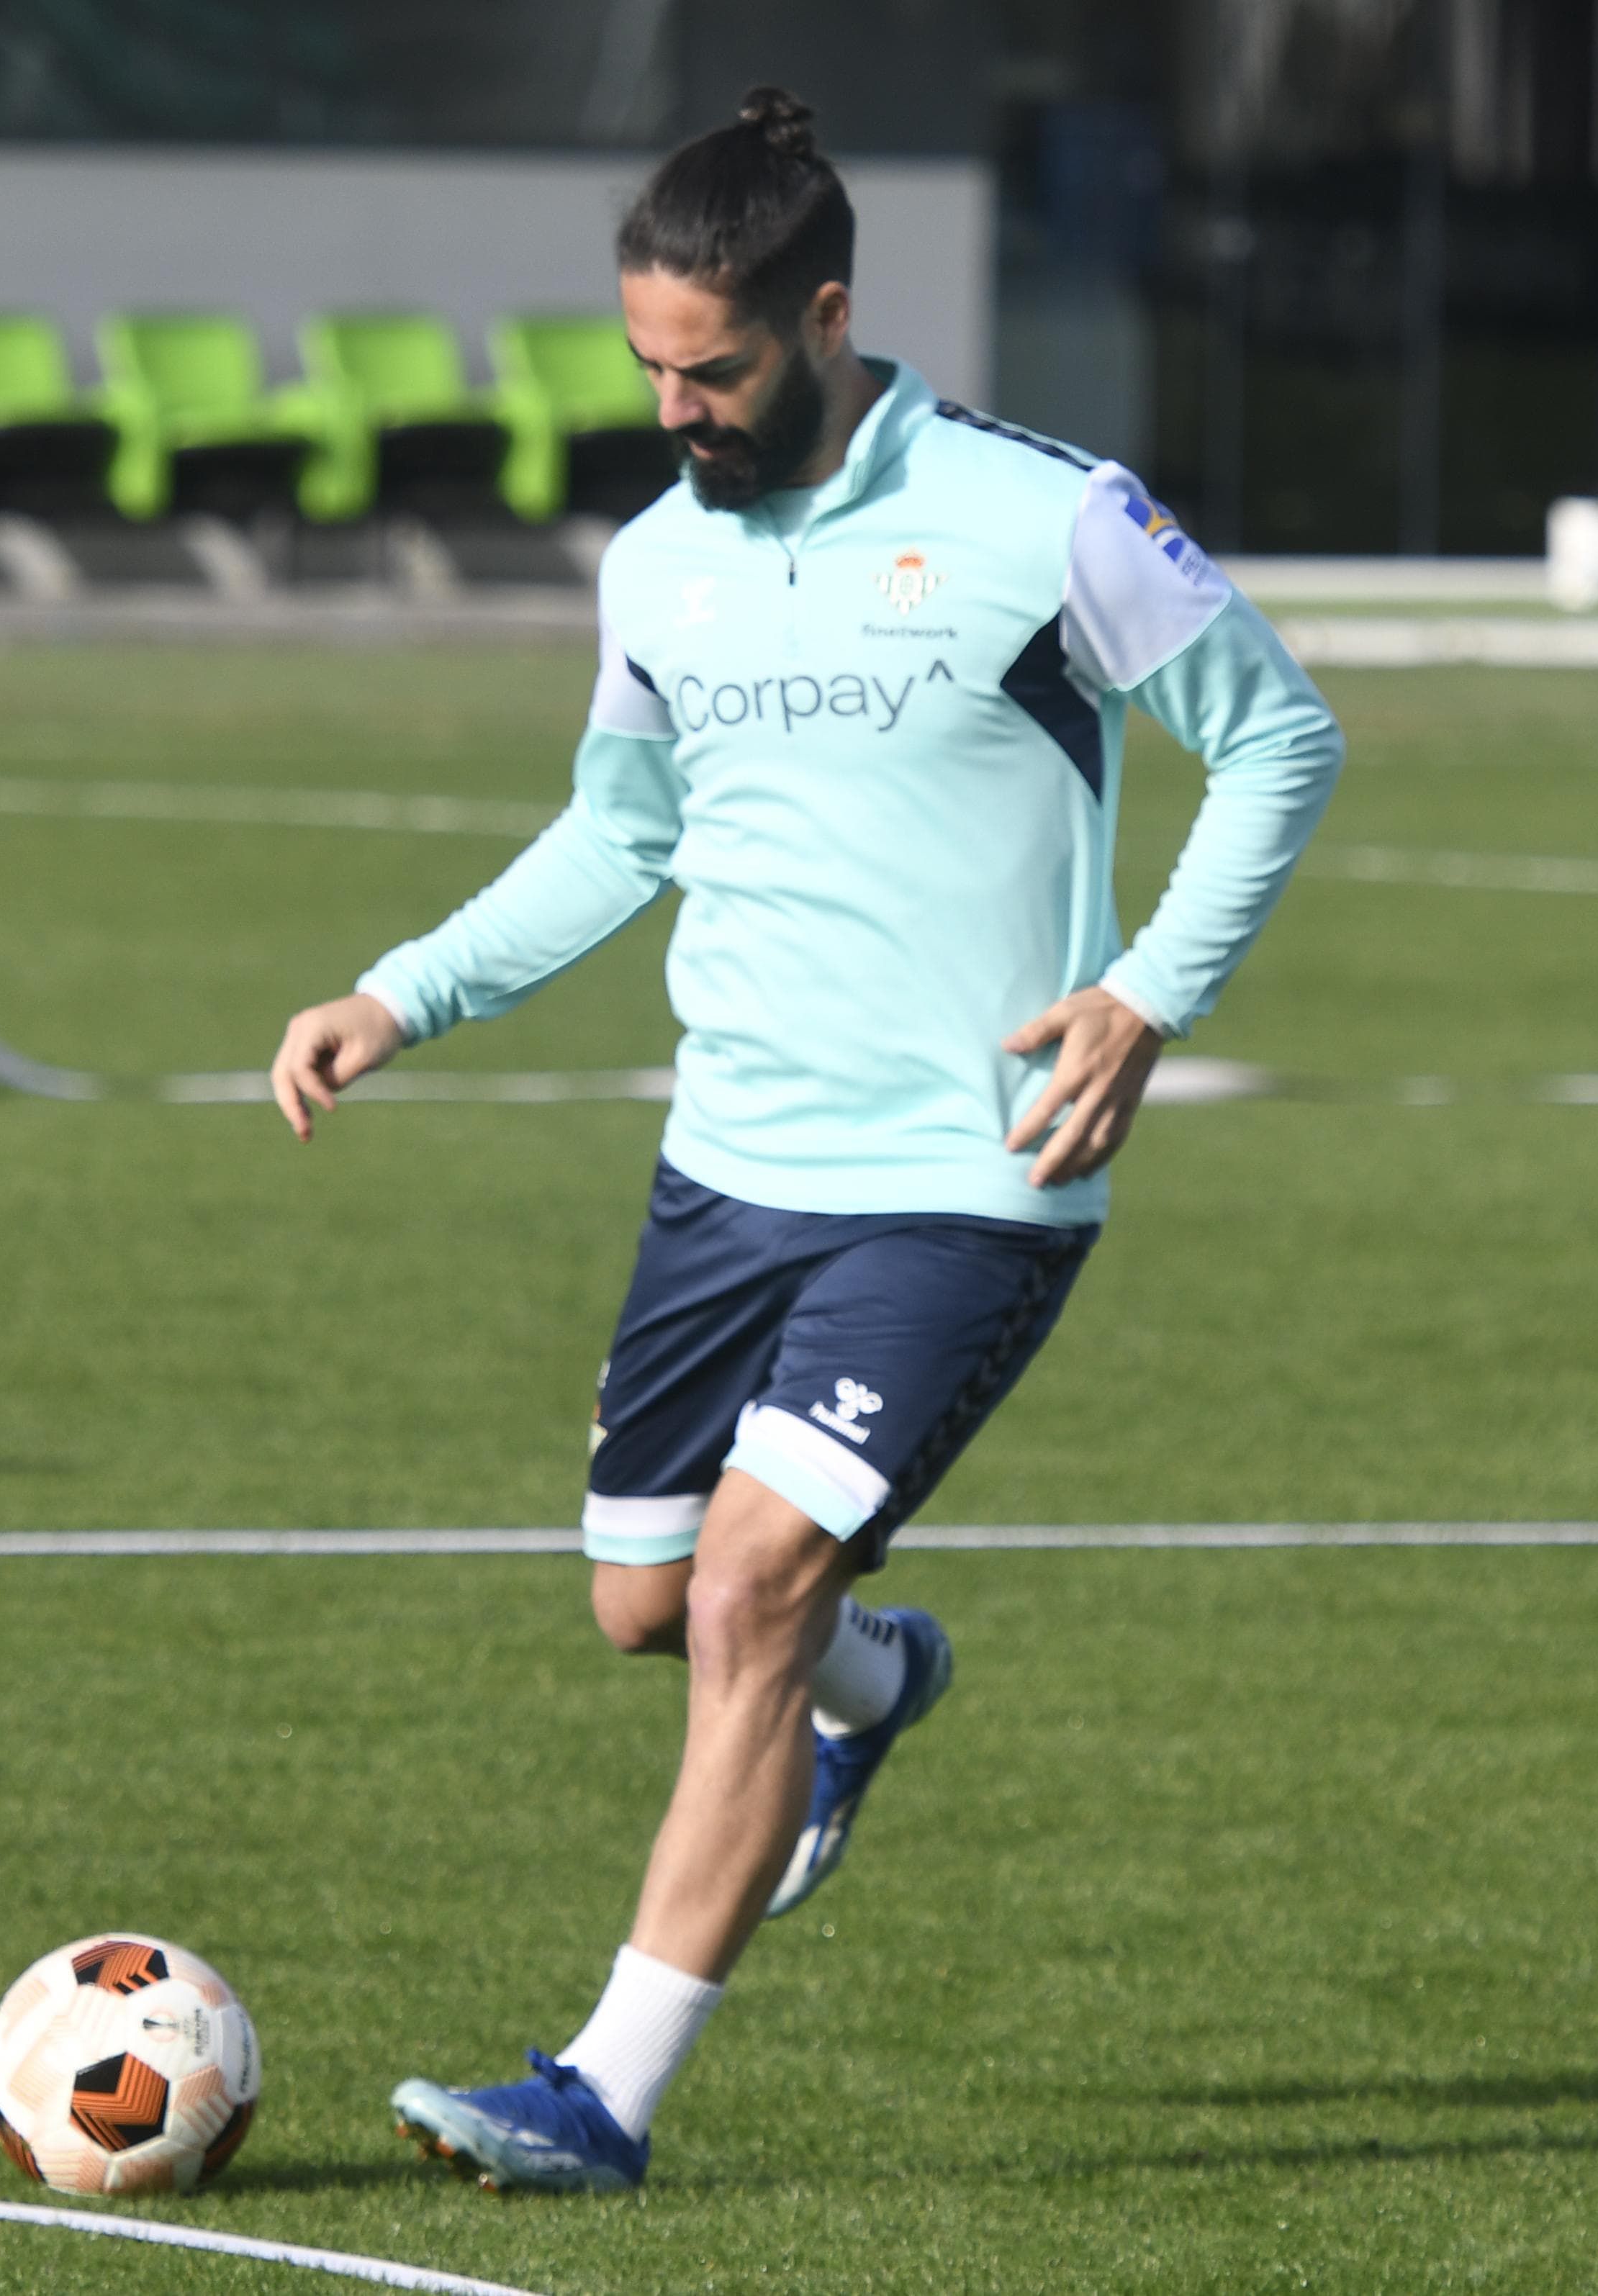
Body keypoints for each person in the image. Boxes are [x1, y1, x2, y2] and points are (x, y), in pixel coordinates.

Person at [266, 87, 1342, 2194]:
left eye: (719, 369)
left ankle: (600, 2097)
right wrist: (403, 991)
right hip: (728, 1168)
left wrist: (1146, 992)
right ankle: (877, 1686)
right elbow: (622, 835)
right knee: (645, 1604)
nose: (679, 409)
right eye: (650, 369)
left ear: (828, 316)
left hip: (966, 1178)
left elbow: (1279, 734)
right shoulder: (659, 564)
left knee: (750, 1587)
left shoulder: (1049, 520)